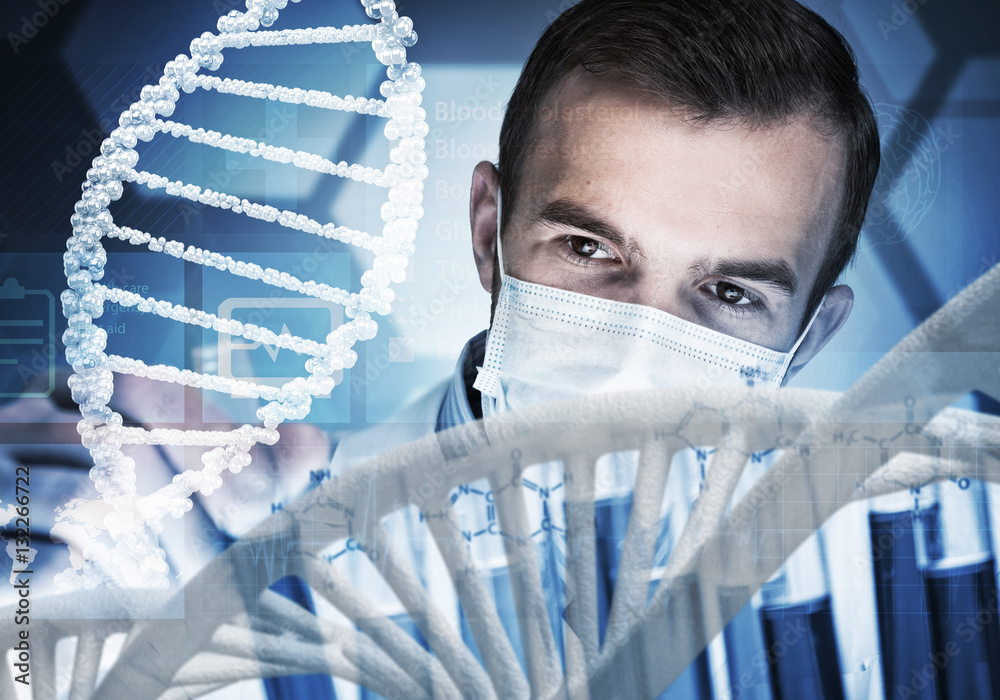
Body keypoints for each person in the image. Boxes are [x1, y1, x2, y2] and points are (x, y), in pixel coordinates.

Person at [328, 0, 880, 698]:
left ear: (808, 339)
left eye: (733, 293)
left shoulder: (878, 603)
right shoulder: (300, 554)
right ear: (487, 234)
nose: (636, 354)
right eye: (588, 248)